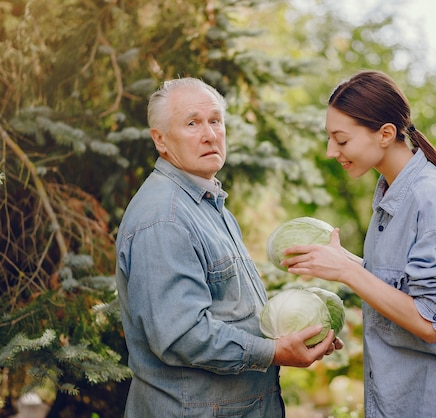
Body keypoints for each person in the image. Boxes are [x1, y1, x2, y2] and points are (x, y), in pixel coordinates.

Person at [281, 70, 436, 417]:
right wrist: (343, 262)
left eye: (341, 139)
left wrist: (347, 273)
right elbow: (401, 285)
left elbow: (430, 323)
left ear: (385, 134)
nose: (330, 151)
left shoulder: (430, 197)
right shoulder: (390, 196)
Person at [115, 77, 342, 418]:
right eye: (192, 123)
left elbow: (231, 313)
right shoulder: (165, 218)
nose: (209, 134)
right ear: (160, 140)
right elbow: (181, 335)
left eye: (215, 121)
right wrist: (273, 352)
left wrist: (297, 336)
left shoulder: (207, 204)